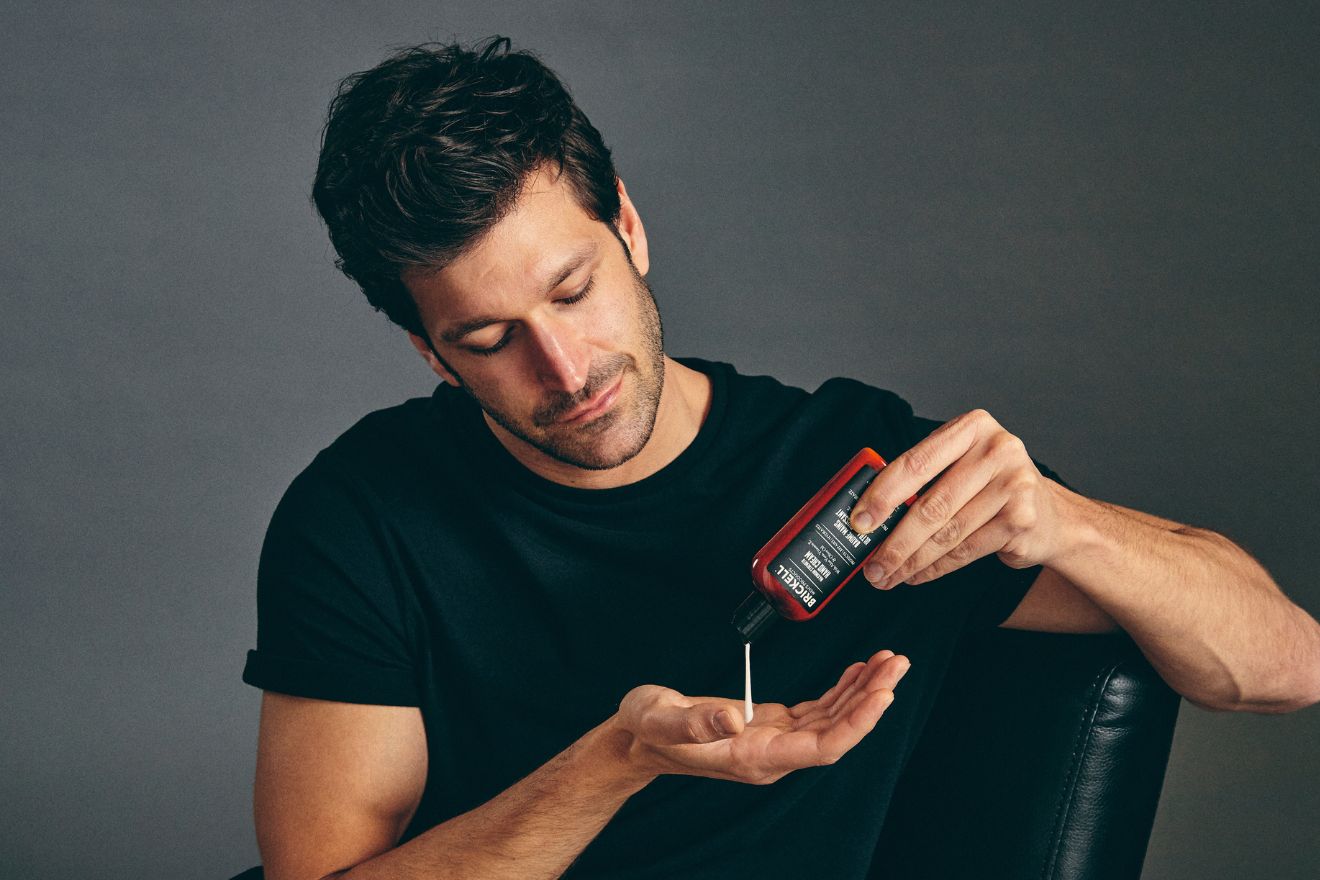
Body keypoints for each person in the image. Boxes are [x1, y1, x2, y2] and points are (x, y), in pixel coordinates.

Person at [241, 36, 1320, 880]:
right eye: (487, 338)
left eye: (573, 290)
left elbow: (1286, 667)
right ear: (429, 350)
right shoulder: (361, 517)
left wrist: (1067, 523)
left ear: (629, 226)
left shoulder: (856, 475)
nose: (565, 368)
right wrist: (617, 761)